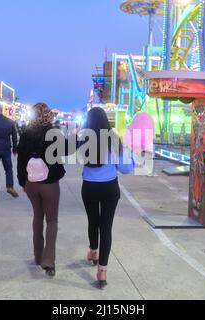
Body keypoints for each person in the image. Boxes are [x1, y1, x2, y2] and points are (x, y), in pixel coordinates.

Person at [80, 107, 135, 289]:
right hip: (109, 188)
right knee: (106, 228)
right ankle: (102, 270)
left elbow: (81, 160)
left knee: (92, 222)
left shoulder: (85, 138)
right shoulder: (113, 139)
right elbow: (125, 168)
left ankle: (93, 253)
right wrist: (131, 156)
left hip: (89, 187)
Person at [17, 103, 71, 277]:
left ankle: (38, 256)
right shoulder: (54, 132)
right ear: (48, 115)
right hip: (50, 184)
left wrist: (22, 182)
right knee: (52, 221)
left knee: (37, 217)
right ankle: (49, 261)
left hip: (31, 183)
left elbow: (20, 160)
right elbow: (66, 151)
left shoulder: (25, 133)